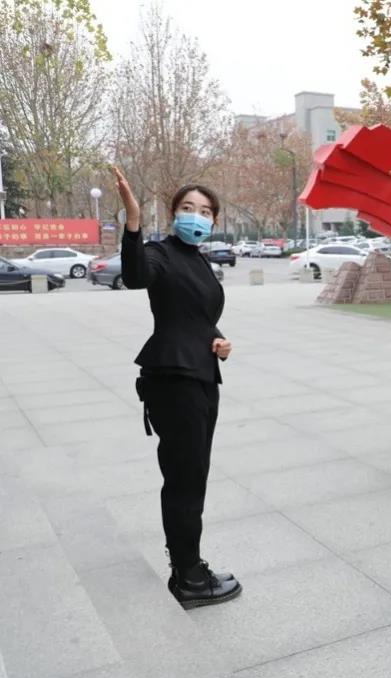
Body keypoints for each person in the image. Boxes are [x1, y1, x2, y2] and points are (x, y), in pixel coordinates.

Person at [113, 166, 241, 609]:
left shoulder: (199, 258)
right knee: (185, 479)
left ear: (214, 220)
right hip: (174, 381)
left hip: (200, 375)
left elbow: (195, 315)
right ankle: (187, 576)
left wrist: (218, 340)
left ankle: (189, 562)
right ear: (173, 214)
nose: (196, 216)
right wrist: (132, 221)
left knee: (193, 476)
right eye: (188, 208)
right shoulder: (160, 252)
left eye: (205, 211)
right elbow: (136, 276)